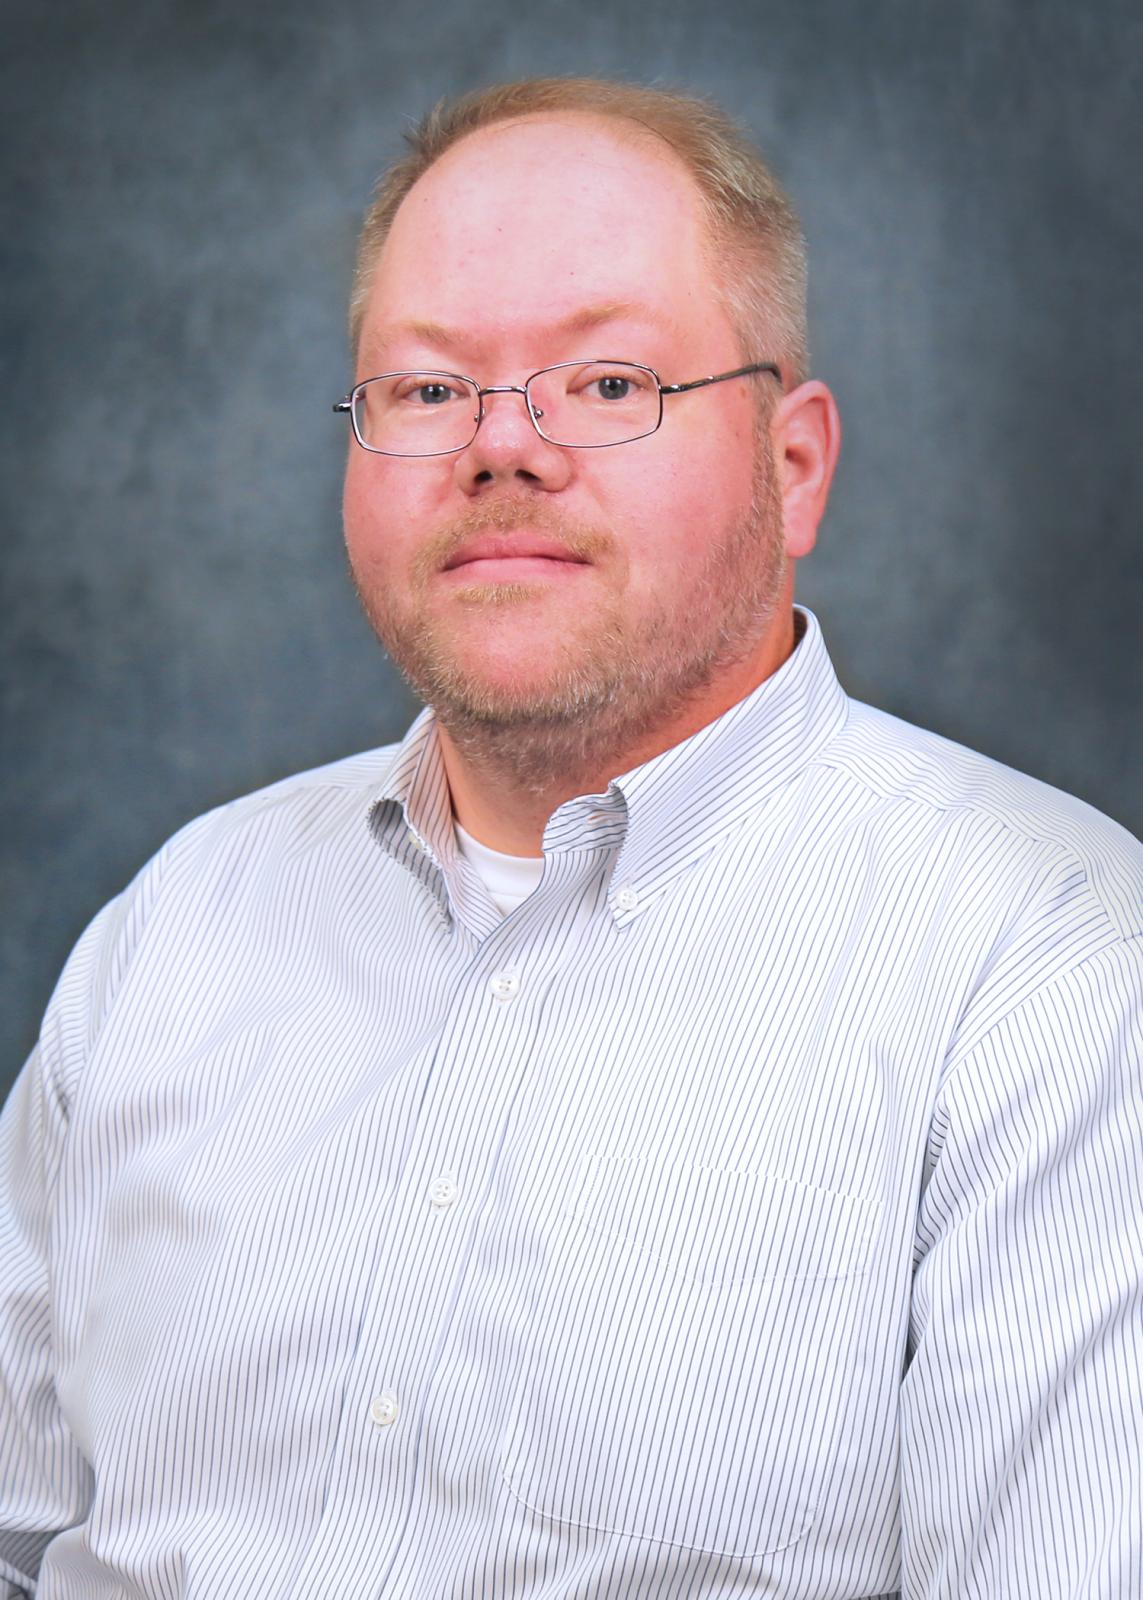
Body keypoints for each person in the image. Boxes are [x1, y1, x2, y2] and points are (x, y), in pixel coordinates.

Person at [1, 76, 1140, 1600]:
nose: (500, 447)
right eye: (426, 390)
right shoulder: (178, 920)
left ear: (792, 465)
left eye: (608, 382)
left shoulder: (1049, 968)